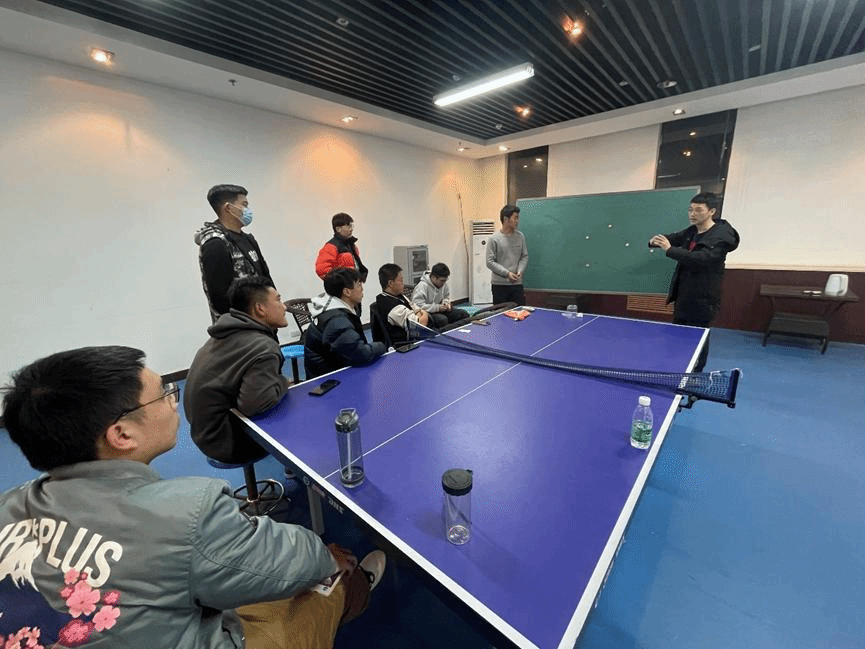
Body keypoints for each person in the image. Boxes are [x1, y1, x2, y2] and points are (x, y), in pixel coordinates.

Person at [0, 346, 385, 649]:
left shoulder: (8, 504)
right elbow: (295, 561)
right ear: (121, 435)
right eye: (164, 394)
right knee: (328, 578)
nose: (174, 400)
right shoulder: (186, 513)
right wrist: (327, 557)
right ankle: (356, 591)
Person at [184, 276, 290, 464]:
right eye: (278, 300)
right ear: (260, 309)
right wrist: (283, 382)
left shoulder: (227, 331)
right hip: (227, 441)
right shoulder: (263, 347)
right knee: (301, 417)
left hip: (203, 431)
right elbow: (255, 405)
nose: (285, 307)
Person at [649, 191, 740, 375]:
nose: (692, 214)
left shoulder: (720, 238)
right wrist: (655, 241)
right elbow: (674, 237)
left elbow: (701, 259)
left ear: (711, 211)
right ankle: (678, 367)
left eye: (698, 210)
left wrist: (669, 250)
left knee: (699, 337)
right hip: (684, 294)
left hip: (703, 297)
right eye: (690, 209)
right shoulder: (692, 232)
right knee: (679, 333)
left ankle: (696, 373)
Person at [195, 184, 274, 323]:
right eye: (244, 205)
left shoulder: (248, 239)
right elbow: (220, 299)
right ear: (228, 208)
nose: (248, 210)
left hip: (264, 321)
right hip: (241, 328)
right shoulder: (215, 244)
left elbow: (266, 277)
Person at [305, 268, 387, 378]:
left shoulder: (334, 310)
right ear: (347, 292)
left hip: (334, 371)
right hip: (329, 381)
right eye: (359, 285)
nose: (362, 289)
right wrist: (382, 345)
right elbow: (361, 354)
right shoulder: (336, 320)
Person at [375, 263, 430, 344]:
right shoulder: (393, 308)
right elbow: (420, 324)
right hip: (410, 343)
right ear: (390, 283)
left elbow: (416, 308)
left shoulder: (398, 296)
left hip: (417, 334)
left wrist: (419, 313)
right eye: (401, 280)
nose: (403, 283)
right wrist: (425, 313)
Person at [487, 204, 529, 305]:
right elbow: (489, 262)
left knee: (520, 311)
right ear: (506, 219)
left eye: (518, 218)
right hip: (499, 285)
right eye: (515, 218)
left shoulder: (520, 236)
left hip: (517, 284)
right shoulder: (494, 239)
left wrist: (520, 271)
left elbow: (524, 256)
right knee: (500, 313)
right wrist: (507, 273)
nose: (517, 221)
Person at [411, 262, 469, 328]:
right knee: (442, 319)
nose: (444, 283)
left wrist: (446, 303)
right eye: (442, 280)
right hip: (427, 313)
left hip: (440, 310)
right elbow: (418, 306)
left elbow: (446, 297)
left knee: (463, 314)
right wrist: (437, 308)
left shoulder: (443, 284)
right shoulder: (422, 287)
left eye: (445, 280)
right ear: (434, 278)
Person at [315, 213, 368, 282]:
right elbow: (322, 269)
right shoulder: (331, 246)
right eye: (348, 226)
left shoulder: (351, 245)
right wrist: (340, 282)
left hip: (353, 284)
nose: (351, 229)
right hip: (344, 286)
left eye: (352, 226)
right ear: (338, 229)